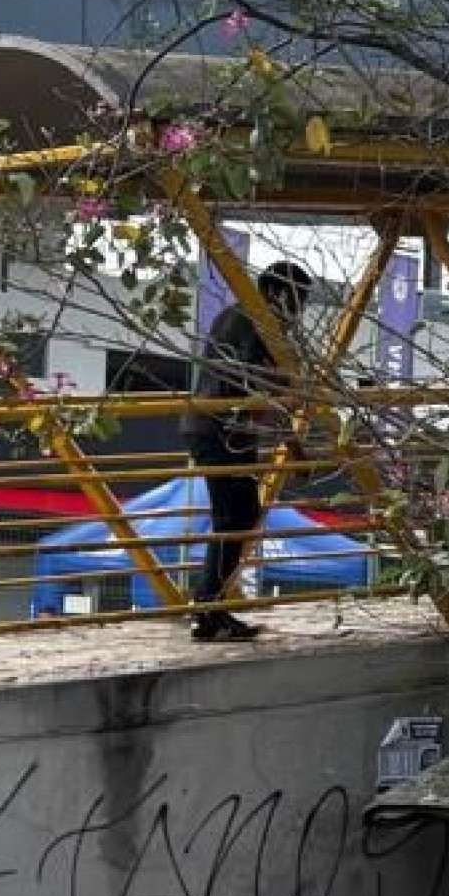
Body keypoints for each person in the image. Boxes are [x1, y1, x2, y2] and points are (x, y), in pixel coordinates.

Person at [187, 261, 315, 642]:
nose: (301, 309)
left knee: (238, 516)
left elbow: (266, 393)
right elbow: (255, 381)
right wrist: (295, 446)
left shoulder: (244, 319)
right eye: (299, 299)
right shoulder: (250, 320)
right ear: (277, 294)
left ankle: (211, 607)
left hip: (227, 430)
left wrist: (294, 447)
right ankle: (207, 609)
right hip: (220, 429)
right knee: (235, 516)